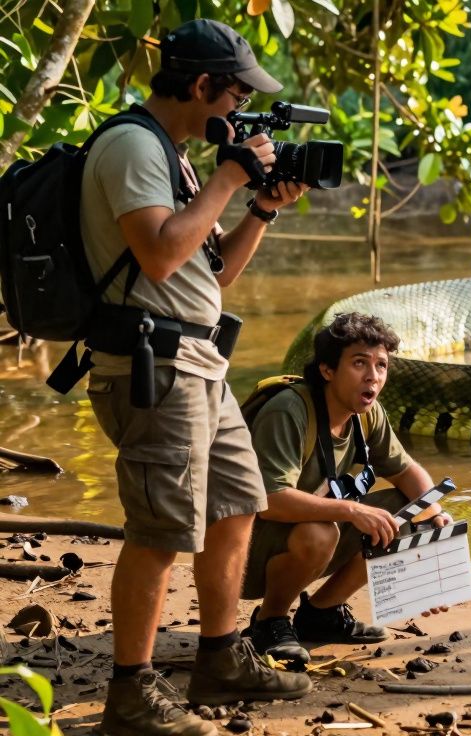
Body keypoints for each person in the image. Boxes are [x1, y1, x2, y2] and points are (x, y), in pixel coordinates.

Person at [81, 18, 313, 736]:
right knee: (160, 531)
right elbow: (156, 255)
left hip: (198, 361)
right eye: (235, 97)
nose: (241, 116)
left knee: (237, 503)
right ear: (202, 85)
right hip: (152, 367)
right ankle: (132, 693)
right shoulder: (131, 146)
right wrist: (228, 175)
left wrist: (261, 209)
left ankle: (220, 660)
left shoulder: (178, 157)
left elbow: (214, 276)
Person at [241, 312, 450, 667]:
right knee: (321, 530)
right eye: (359, 363)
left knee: (410, 510)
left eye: (381, 365)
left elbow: (407, 471)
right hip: (241, 553)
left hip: (305, 538)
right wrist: (352, 510)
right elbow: (268, 500)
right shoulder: (289, 410)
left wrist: (435, 518)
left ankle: (321, 614)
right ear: (327, 370)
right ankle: (269, 621)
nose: (373, 376)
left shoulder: (368, 414)